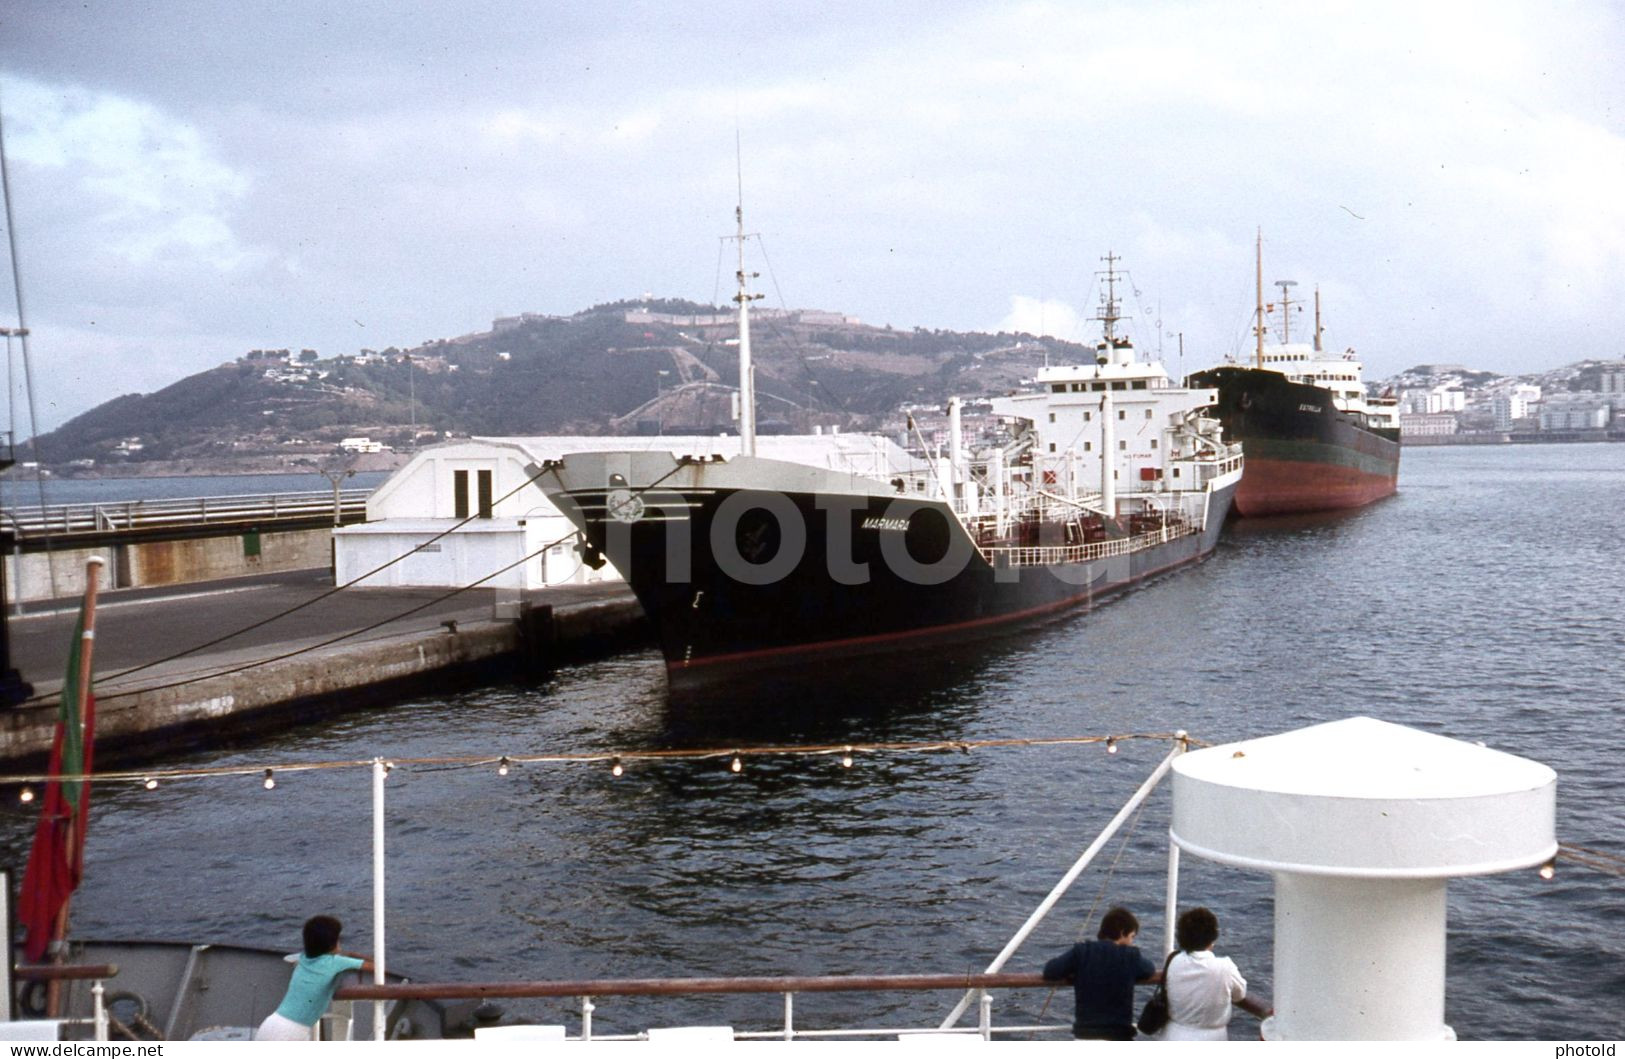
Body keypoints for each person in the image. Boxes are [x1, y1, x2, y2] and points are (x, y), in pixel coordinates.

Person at [1041, 906, 1160, 1040]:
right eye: (1131, 936)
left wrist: (1074, 973)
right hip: (1118, 1035)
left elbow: (1050, 971)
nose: (1131, 942)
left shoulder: (1081, 952)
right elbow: (1149, 969)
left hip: (1085, 1035)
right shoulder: (1130, 956)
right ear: (1122, 932)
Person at [1157, 906, 1270, 1041]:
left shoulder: (1174, 961)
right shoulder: (1225, 967)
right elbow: (1240, 994)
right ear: (1213, 937)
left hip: (1173, 1034)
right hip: (1211, 1037)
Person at [255, 915, 372, 1041]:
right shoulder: (336, 962)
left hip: (271, 1024)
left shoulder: (304, 957)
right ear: (332, 943)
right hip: (290, 1034)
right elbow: (375, 966)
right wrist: (355, 955)